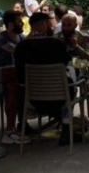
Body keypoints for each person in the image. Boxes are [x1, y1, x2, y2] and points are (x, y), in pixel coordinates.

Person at [14, 12, 73, 145]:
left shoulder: (22, 47)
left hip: (32, 99)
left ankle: (23, 124)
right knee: (70, 83)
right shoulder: (56, 44)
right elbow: (66, 64)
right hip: (60, 97)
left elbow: (19, 75)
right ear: (45, 25)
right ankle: (66, 126)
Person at [0, 11, 26, 145]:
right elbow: (18, 52)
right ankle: (10, 130)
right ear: (11, 24)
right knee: (14, 79)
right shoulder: (1, 38)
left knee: (18, 84)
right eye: (19, 21)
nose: (22, 23)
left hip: (14, 76)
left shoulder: (22, 37)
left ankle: (21, 125)